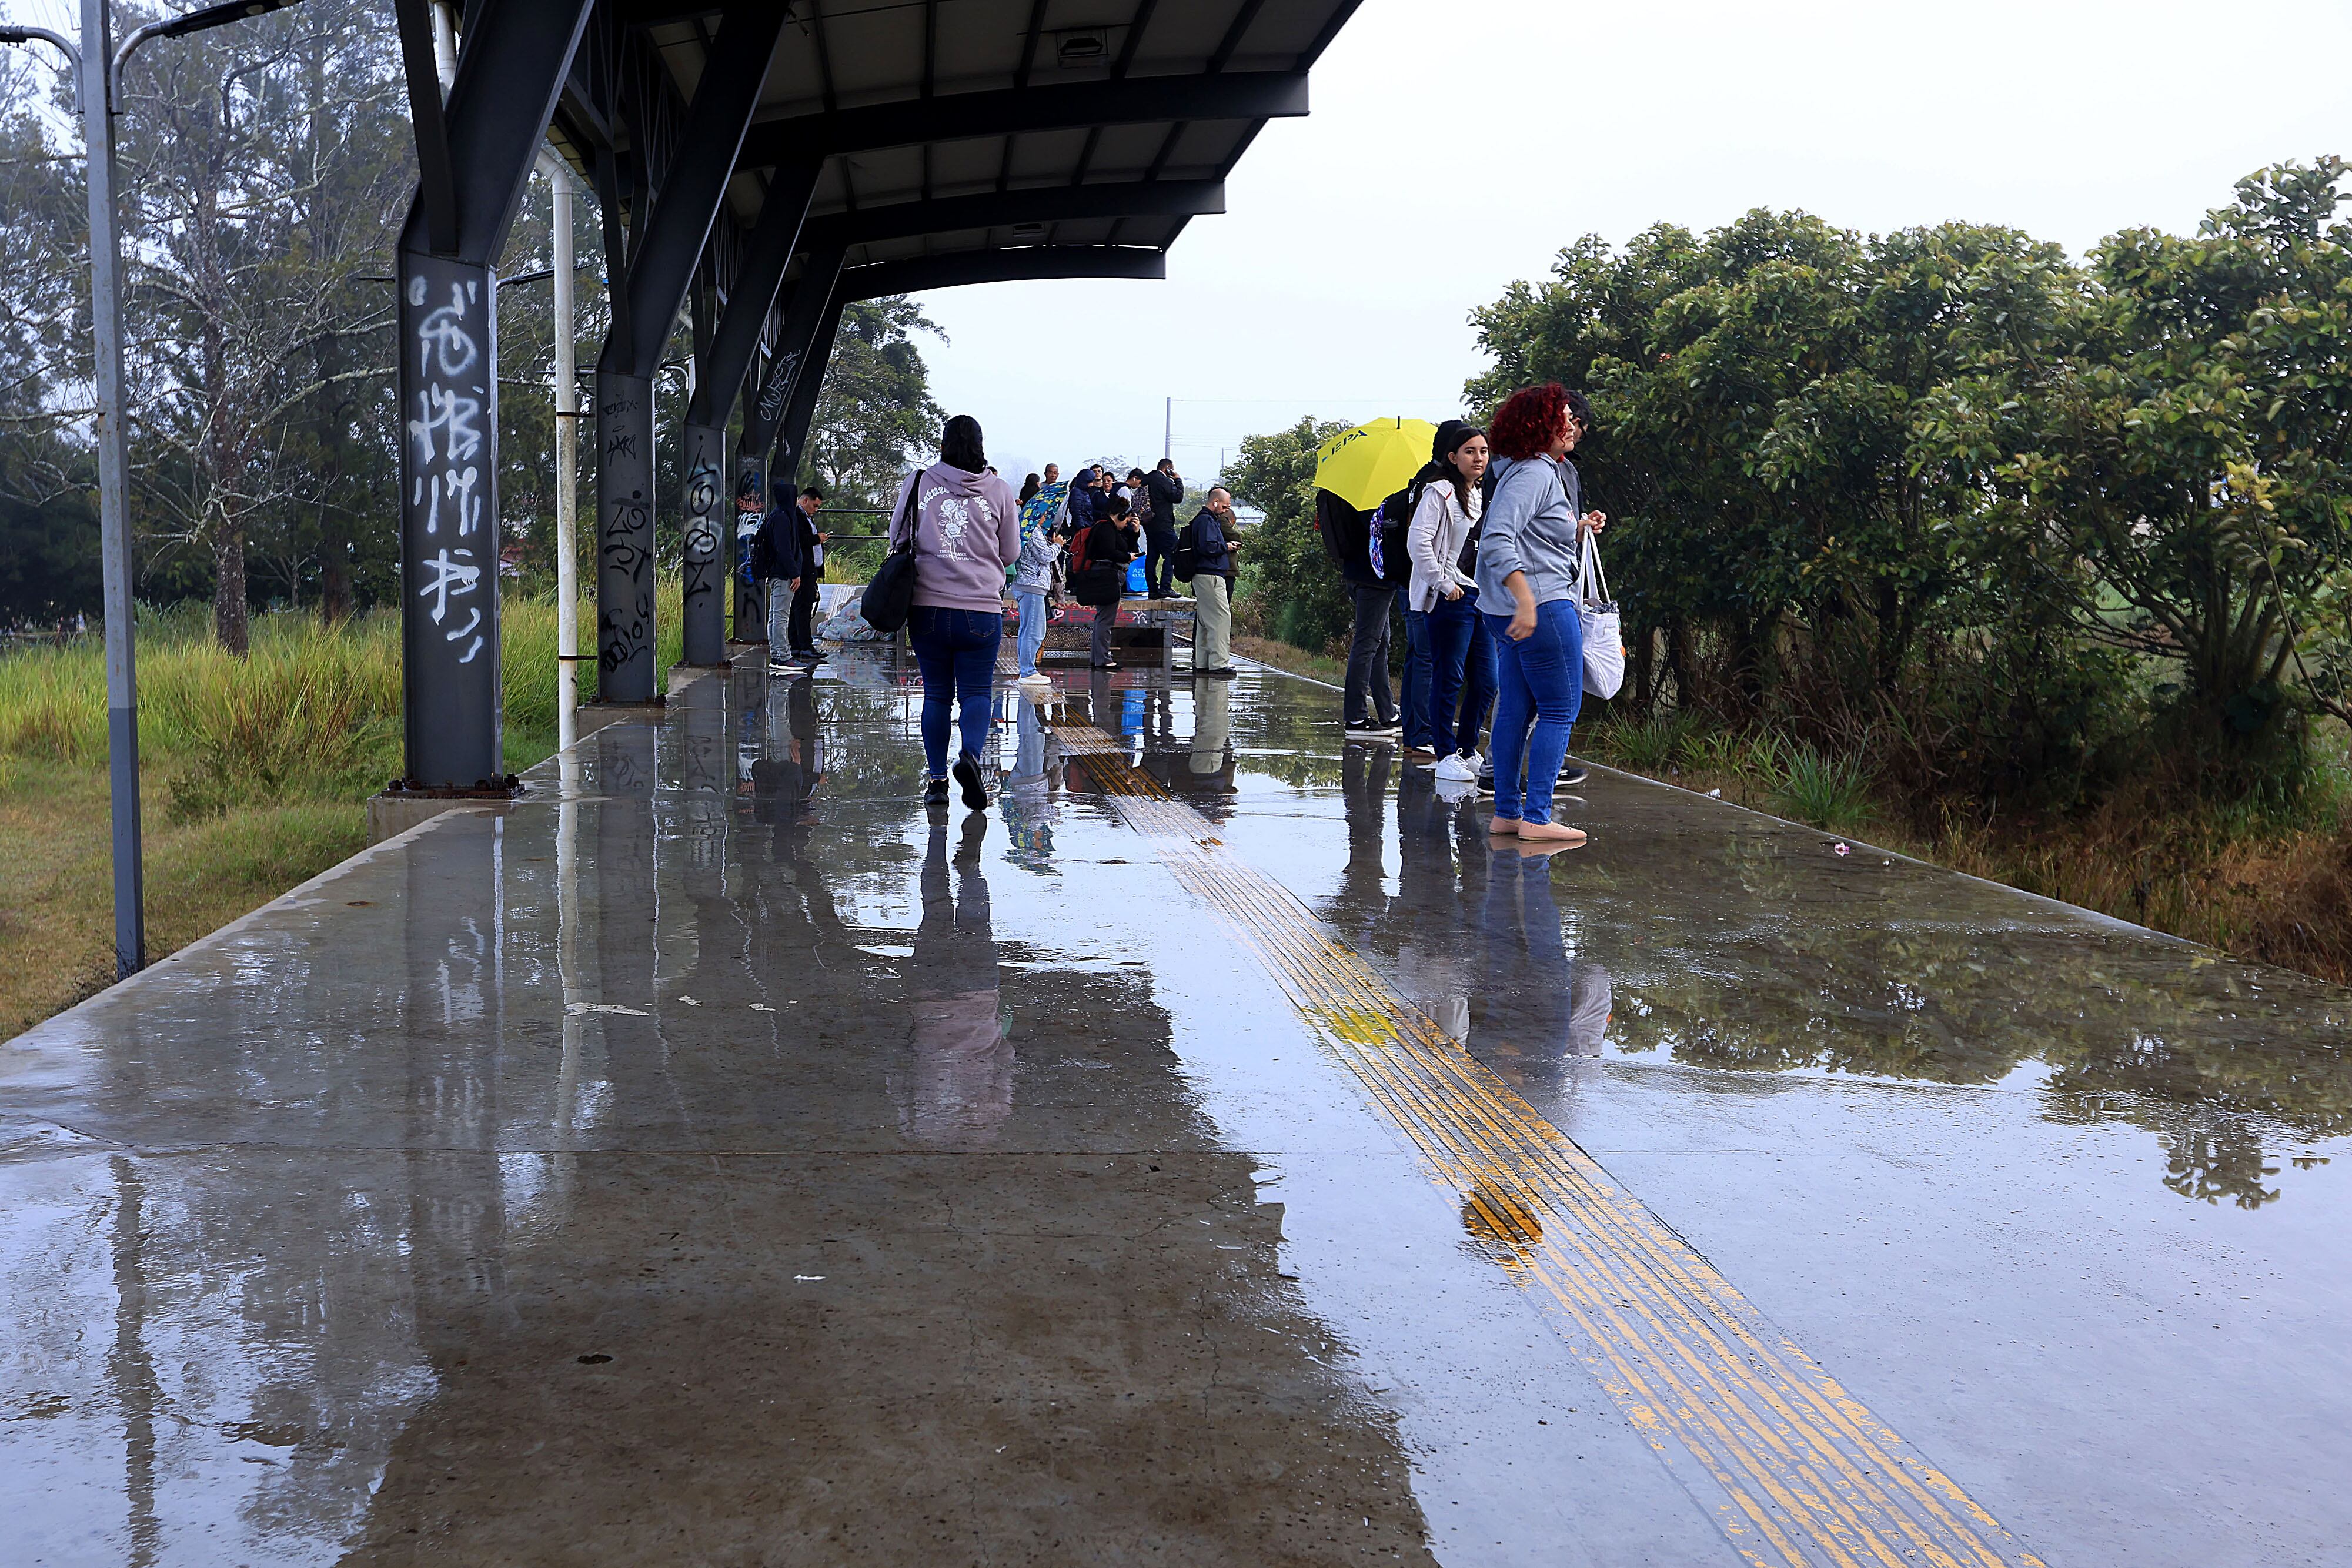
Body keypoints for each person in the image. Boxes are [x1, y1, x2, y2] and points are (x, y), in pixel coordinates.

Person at [1478, 383, 1605, 845]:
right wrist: (1526, 598)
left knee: (1514, 706)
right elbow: (1496, 538)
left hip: (1515, 606)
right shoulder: (1536, 472)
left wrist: (1578, 527)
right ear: (1540, 425)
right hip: (1544, 605)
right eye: (1563, 417)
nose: (1571, 426)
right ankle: (1538, 815)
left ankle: (1508, 813)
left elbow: (1534, 531)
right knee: (1559, 708)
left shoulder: (1520, 469)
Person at [893, 414, 1022, 811]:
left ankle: (936, 783)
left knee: (936, 695)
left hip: (928, 607)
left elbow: (897, 536)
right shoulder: (999, 490)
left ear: (944, 443)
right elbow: (1011, 553)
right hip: (981, 610)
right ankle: (970, 757)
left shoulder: (918, 482)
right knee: (977, 693)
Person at [1405, 423, 1495, 781]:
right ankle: (1445, 753)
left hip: (1480, 597)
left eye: (1484, 451)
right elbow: (1419, 542)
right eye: (1470, 451)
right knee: (1449, 677)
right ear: (1453, 457)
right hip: (1450, 598)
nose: (1478, 458)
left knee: (1487, 680)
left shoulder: (1481, 494)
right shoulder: (1439, 493)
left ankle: (1467, 748)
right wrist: (1442, 583)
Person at [1012, 470, 1072, 687]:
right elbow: (1045, 556)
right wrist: (1057, 545)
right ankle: (1028, 671)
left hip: (1026, 584)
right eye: (1045, 513)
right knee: (1035, 630)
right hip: (1032, 585)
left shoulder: (1024, 530)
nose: (1047, 516)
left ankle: (1026, 669)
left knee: (1027, 629)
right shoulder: (1033, 533)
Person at [1072, 492, 1142, 670]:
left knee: (1102, 619)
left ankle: (1098, 658)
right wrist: (1127, 557)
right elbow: (1110, 552)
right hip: (1106, 577)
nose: (1126, 524)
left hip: (1106, 576)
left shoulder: (1107, 528)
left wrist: (1134, 533)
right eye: (1126, 520)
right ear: (1120, 515)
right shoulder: (1105, 528)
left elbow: (1124, 546)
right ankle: (1103, 659)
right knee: (1106, 621)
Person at [1187, 485, 1241, 678]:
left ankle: (1203, 662)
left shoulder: (1204, 520)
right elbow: (1208, 547)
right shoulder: (1207, 522)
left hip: (1203, 575)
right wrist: (1225, 546)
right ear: (1215, 502)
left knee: (1204, 620)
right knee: (1221, 618)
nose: (1227, 510)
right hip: (1210, 575)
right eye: (1225, 506)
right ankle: (1219, 663)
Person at [757, 479, 804, 674]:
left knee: (775, 616)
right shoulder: (783, 518)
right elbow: (784, 549)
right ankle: (783, 657)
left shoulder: (776, 516)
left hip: (778, 573)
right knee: (781, 617)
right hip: (784, 574)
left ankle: (778, 655)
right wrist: (795, 574)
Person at [783, 484, 828, 665]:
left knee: (800, 607)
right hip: (803, 570)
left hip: (810, 570)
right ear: (805, 501)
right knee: (802, 608)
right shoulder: (798, 517)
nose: (816, 510)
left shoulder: (806, 518)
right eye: (815, 506)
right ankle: (804, 646)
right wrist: (817, 539)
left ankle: (797, 644)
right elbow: (800, 540)